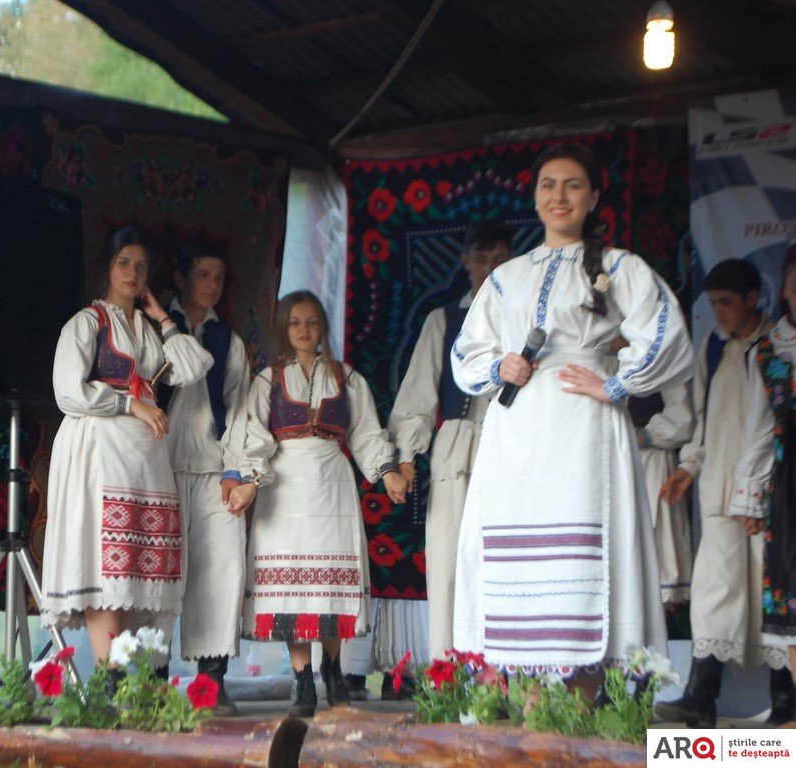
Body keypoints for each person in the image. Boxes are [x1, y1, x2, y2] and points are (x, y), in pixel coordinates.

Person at [449, 142, 694, 695]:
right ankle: (531, 715)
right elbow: (466, 352)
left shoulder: (619, 267)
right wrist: (499, 365)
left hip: (584, 429)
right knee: (519, 567)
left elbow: (667, 334)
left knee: (584, 562)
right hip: (516, 434)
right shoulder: (507, 276)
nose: (559, 196)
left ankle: (581, 713)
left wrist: (615, 383)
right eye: (548, 185)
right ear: (535, 197)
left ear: (594, 197)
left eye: (573, 185)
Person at [41, 226, 213, 677]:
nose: (132, 273)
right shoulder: (87, 323)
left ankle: (124, 678)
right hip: (99, 454)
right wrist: (128, 404)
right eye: (124, 263)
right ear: (108, 268)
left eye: (140, 266)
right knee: (106, 566)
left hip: (143, 463)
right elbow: (67, 392)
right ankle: (110, 678)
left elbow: (195, 367)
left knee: (131, 570)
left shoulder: (149, 332)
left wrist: (163, 317)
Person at [227, 290, 408, 717]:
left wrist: (387, 471)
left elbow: (366, 433)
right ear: (283, 329)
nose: (304, 330)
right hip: (284, 487)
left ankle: (333, 668)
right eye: (295, 322)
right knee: (290, 585)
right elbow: (254, 436)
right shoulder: (268, 380)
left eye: (311, 322)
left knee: (329, 582)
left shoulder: (346, 378)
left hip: (331, 485)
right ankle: (303, 680)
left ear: (322, 327)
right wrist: (250, 480)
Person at [656, 258, 792, 728]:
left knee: (769, 592)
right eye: (714, 303)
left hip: (767, 496)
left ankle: (786, 703)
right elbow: (700, 415)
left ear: (754, 299)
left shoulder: (775, 345)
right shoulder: (713, 347)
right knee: (715, 588)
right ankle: (700, 697)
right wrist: (688, 467)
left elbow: (773, 424)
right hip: (718, 489)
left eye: (727, 302)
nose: (719, 312)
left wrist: (761, 491)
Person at [386, 220, 515, 676]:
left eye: (499, 260)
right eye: (481, 259)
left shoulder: (523, 321)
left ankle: (507, 673)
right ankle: (448, 673)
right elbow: (418, 395)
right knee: (446, 562)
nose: (489, 269)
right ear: (465, 262)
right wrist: (406, 457)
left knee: (506, 562)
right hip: (455, 450)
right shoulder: (443, 320)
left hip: (508, 448)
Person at [159, 243, 251, 716]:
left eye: (219, 277)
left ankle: (211, 681)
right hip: (162, 465)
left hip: (215, 469)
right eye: (203, 275)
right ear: (181, 278)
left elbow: (240, 409)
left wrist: (236, 470)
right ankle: (150, 681)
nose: (213, 285)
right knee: (159, 568)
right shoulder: (153, 330)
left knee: (221, 564)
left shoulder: (227, 339)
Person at [731, 244, 796, 727]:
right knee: (791, 597)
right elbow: (758, 428)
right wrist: (749, 494)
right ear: (785, 289)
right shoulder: (771, 349)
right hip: (790, 488)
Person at [629, 384, 695, 605]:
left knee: (657, 551)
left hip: (654, 463)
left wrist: (640, 436)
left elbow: (683, 420)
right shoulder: (605, 367)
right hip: (618, 465)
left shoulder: (664, 368)